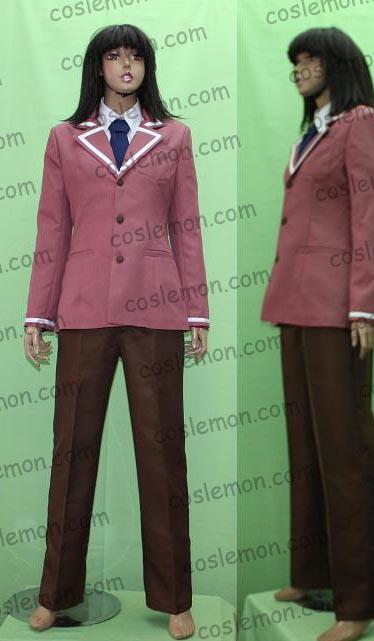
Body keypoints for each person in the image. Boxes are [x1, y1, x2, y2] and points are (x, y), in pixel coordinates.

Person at [23, 24, 209, 640]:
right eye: (114, 56)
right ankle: (55, 594)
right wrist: (37, 315)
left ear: (147, 67)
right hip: (83, 312)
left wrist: (197, 311)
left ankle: (176, 598)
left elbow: (187, 226)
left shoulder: (174, 136)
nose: (126, 65)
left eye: (136, 56)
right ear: (97, 68)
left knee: (163, 454)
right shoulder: (64, 138)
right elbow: (52, 230)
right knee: (72, 453)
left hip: (157, 311)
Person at [260, 27, 374, 641]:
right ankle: (310, 571)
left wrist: (365, 306)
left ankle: (358, 601)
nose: (299, 68)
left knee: (345, 450)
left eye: (309, 59)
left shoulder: (360, 123)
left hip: (338, 308)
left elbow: (373, 214)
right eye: (295, 61)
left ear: (337, 63)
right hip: (295, 304)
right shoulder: (312, 131)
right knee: (305, 445)